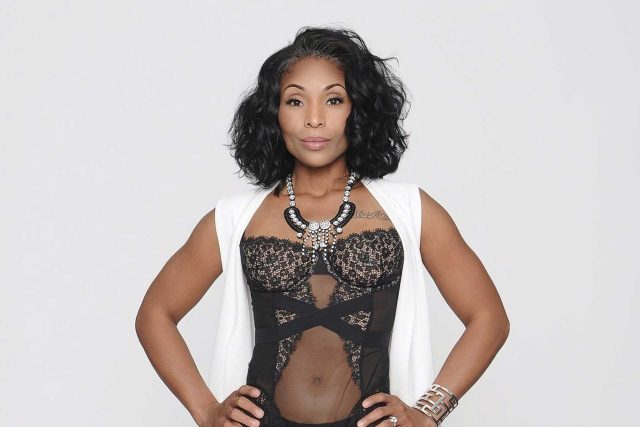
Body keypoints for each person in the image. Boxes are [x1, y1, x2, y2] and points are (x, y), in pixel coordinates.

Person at [135, 26, 510, 427]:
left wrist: (427, 413)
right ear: (274, 113)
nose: (314, 119)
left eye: (333, 99)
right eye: (295, 101)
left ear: (358, 109)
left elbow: (488, 317)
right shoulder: (234, 217)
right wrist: (206, 411)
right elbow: (155, 313)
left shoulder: (411, 209)